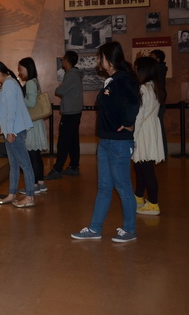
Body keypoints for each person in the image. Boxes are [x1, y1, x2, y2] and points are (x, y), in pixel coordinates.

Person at [71, 41, 139, 243]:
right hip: (106, 141)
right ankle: (95, 228)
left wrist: (128, 123)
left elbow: (134, 102)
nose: (98, 62)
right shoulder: (111, 80)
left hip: (119, 143)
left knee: (123, 187)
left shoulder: (123, 79)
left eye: (100, 58)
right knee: (103, 187)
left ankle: (130, 230)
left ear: (109, 59)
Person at [0, 61, 36, 207]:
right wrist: (1, 125)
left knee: (25, 164)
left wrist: (11, 131)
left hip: (15, 131)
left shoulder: (9, 84)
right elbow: (6, 110)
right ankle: (12, 194)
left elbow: (12, 110)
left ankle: (30, 196)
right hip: (12, 130)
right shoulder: (10, 83)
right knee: (14, 164)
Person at [132, 56, 165, 215]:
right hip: (150, 129)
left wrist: (132, 136)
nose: (135, 70)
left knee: (145, 169)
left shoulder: (143, 89)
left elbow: (139, 116)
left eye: (136, 67)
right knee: (140, 166)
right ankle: (139, 197)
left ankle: (153, 203)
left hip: (143, 131)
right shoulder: (154, 87)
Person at [45, 50, 83, 179]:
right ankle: (73, 167)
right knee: (73, 141)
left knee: (63, 141)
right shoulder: (75, 74)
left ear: (67, 61)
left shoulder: (71, 74)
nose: (62, 61)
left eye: (63, 59)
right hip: (75, 112)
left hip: (70, 113)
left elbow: (60, 90)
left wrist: (58, 89)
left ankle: (57, 169)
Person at [17, 57, 48, 195]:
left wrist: (18, 97)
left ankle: (34, 185)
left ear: (27, 68)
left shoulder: (30, 82)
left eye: (21, 69)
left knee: (32, 156)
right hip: (36, 122)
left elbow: (31, 102)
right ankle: (40, 183)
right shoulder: (34, 81)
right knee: (36, 155)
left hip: (31, 123)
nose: (19, 72)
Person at [149, 49, 168, 157]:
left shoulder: (159, 69)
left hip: (158, 101)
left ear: (158, 59)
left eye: (151, 56)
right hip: (158, 100)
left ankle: (162, 152)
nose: (149, 58)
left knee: (159, 127)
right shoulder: (159, 68)